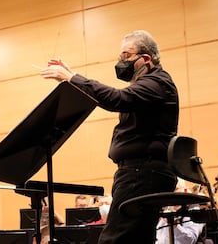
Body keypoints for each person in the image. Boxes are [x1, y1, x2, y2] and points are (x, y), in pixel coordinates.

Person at [40, 30, 179, 244]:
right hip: (139, 173)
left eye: (126, 55)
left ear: (145, 59)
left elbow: (116, 98)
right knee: (137, 239)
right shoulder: (149, 86)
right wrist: (73, 78)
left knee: (114, 239)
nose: (120, 61)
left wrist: (72, 78)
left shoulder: (158, 83)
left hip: (142, 173)